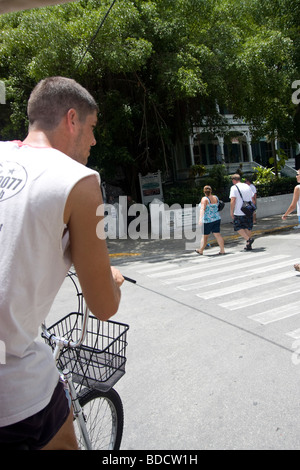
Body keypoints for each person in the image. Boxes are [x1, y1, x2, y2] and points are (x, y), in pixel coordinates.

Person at [0, 77, 124, 450]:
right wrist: (111, 279)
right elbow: (102, 306)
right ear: (72, 119)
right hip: (11, 384)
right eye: (92, 128)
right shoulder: (81, 181)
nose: (94, 141)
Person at [195, 185, 225, 255]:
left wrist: (200, 219)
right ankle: (222, 250)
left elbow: (202, 209)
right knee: (218, 235)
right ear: (211, 191)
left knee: (205, 236)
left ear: (204, 191)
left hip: (207, 220)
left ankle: (201, 250)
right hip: (216, 218)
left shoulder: (204, 199)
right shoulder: (215, 197)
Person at [230, 174, 255, 251]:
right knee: (248, 227)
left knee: (237, 226)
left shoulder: (234, 187)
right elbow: (252, 198)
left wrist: (231, 211)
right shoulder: (247, 186)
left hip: (239, 211)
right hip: (248, 210)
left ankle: (248, 239)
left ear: (234, 180)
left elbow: (233, 200)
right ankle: (248, 245)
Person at [282, 169, 300, 271]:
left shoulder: (298, 188)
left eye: (297, 174)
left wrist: (285, 215)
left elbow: (293, 206)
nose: (296, 176)